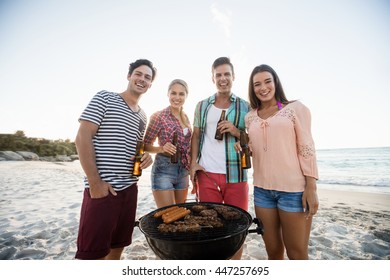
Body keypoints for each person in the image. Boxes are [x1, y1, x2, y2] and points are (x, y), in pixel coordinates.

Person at [74, 59, 156, 260]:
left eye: (147, 77)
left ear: (151, 84)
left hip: (130, 190)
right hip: (103, 190)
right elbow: (82, 137)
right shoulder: (105, 98)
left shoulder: (142, 116)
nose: (142, 79)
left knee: (117, 249)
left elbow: (137, 149)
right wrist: (95, 183)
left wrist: (146, 157)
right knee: (92, 255)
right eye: (138, 74)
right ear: (129, 76)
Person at [235, 64, 319, 260]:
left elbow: (306, 147)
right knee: (273, 252)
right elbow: (259, 150)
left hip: (293, 192)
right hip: (263, 192)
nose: (263, 88)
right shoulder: (250, 117)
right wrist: (244, 148)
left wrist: (311, 186)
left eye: (267, 81)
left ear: (275, 83)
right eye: (257, 84)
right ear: (252, 88)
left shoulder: (295, 109)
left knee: (296, 253)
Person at [190, 57, 250, 260]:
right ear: (212, 78)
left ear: (233, 77)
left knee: (238, 227)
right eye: (218, 75)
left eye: (227, 74)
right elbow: (196, 135)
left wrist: (235, 130)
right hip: (206, 174)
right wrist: (193, 164)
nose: (223, 78)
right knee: (210, 227)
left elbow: (254, 140)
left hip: (236, 175)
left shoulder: (245, 106)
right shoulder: (201, 106)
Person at [144, 79, 192, 208]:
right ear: (168, 94)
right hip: (164, 169)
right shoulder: (158, 116)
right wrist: (161, 148)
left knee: (180, 214)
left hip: (183, 171)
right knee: (168, 215)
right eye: (173, 93)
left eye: (181, 94)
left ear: (186, 96)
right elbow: (145, 145)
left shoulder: (186, 118)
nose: (177, 97)